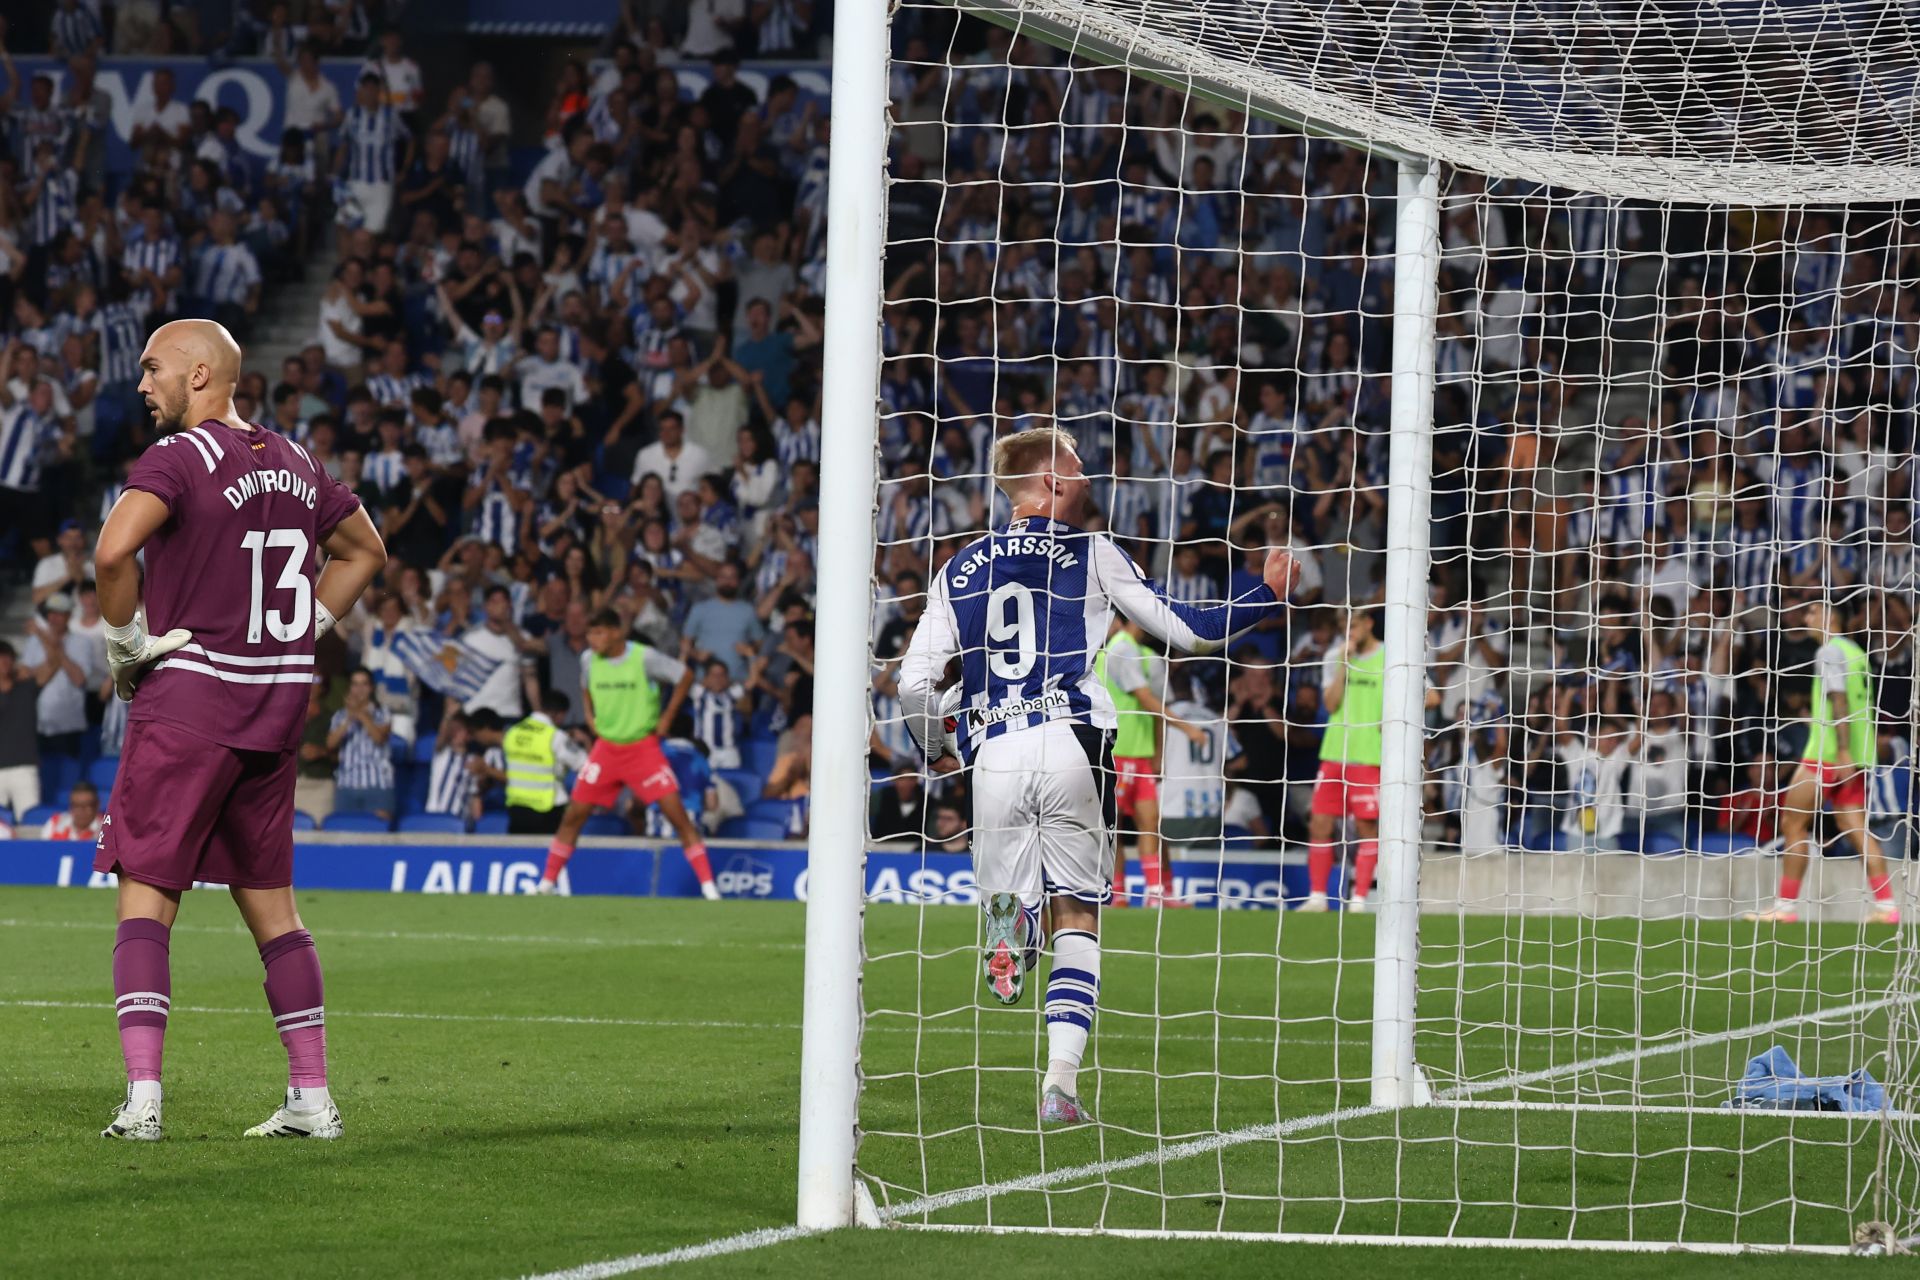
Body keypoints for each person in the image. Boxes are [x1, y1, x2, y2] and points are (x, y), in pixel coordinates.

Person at [898, 426, 1297, 1125]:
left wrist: (937, 750)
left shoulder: (957, 567)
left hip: (991, 753)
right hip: (1072, 744)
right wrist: (1264, 593)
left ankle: (1008, 927)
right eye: (1078, 469)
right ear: (1050, 482)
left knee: (1013, 902)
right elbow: (1190, 630)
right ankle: (1060, 1086)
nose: (1089, 479)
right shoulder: (1091, 552)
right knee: (1078, 914)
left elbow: (911, 684)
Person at [92, 318, 386, 1142]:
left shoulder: (178, 459)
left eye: (152, 369)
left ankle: (145, 1100)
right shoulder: (298, 462)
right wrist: (307, 629)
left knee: (145, 902)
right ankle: (312, 1099)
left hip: (189, 703)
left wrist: (125, 648)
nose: (142, 384)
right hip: (276, 709)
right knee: (276, 914)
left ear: (197, 374)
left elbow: (114, 555)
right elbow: (365, 551)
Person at [537, 609, 716, 898]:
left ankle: (709, 887)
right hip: (606, 749)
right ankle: (546, 884)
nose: (592, 640)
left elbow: (684, 675)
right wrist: (589, 715)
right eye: (589, 634)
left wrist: (668, 716)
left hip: (642, 748)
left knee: (677, 815)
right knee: (574, 814)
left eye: (599, 633)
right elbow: (585, 686)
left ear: (617, 632)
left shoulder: (643, 658)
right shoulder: (588, 660)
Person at [1750, 599, 1897, 924]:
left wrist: (1841, 750)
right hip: (1857, 756)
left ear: (1831, 618)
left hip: (1827, 754)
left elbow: (1838, 699)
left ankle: (1785, 907)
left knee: (1793, 823)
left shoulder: (1829, 652)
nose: (1807, 617)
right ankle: (1887, 906)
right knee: (1855, 827)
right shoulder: (1857, 653)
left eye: (1813, 612)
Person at [1095, 616, 1203, 907]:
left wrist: (1158, 755)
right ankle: (1116, 892)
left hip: (1140, 755)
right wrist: (1188, 728)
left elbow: (1156, 712)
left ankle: (1155, 893)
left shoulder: (1149, 657)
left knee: (1150, 823)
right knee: (1113, 826)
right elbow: (1145, 698)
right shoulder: (1121, 648)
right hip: (1117, 751)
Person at [1303, 606, 1386, 911]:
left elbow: (1430, 695)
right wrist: (1344, 665)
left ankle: (1360, 899)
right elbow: (1330, 703)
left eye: (1354, 625)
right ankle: (1317, 898)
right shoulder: (1334, 656)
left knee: (1366, 829)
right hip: (1334, 753)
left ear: (1369, 623)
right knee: (1320, 825)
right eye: (1344, 626)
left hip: (1368, 755)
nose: (1349, 631)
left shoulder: (1391, 657)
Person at [503, 691, 587, 835]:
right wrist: (585, 741)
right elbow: (585, 765)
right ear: (560, 714)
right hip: (547, 810)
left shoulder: (513, 732)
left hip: (516, 808)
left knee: (521, 855)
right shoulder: (556, 736)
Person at [327, 668, 395, 822]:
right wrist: (350, 718)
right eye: (355, 684)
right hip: (347, 785)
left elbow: (379, 738)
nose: (359, 689)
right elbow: (331, 743)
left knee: (378, 835)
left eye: (364, 684)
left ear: (371, 688)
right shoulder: (340, 715)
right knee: (344, 833)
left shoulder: (383, 712)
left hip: (377, 784)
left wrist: (361, 714)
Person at [0, 641, 41, 819]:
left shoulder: (26, 687)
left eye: (8, 658)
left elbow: (54, 665)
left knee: (30, 823)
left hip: (24, 769)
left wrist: (41, 634)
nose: (4, 662)